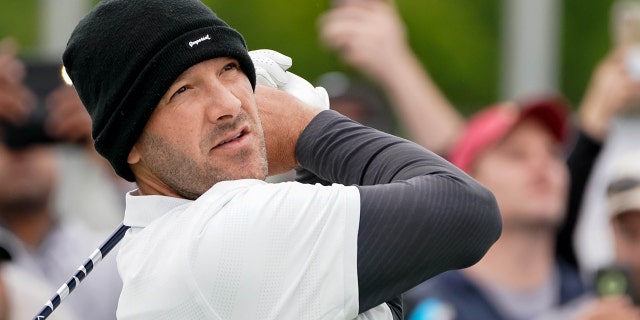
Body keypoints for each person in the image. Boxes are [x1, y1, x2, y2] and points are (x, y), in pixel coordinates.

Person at [62, 0, 502, 319]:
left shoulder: (174, 241)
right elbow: (467, 212)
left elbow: (384, 300)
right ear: (129, 145)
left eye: (229, 70)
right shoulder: (218, 232)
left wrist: (311, 169)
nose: (229, 106)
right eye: (182, 91)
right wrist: (311, 130)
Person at [0, 42, 122, 320]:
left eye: (35, 125)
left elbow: (171, 239)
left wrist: (117, 149)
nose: (21, 149)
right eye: (5, 128)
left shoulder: (108, 253)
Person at [318, 0, 464, 156]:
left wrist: (392, 60)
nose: (345, 127)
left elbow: (458, 159)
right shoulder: (294, 172)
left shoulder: (395, 166)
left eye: (358, 116)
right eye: (333, 117)